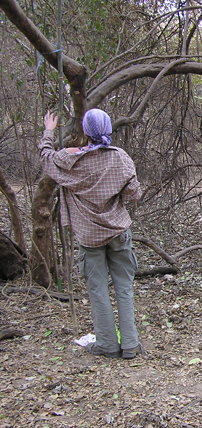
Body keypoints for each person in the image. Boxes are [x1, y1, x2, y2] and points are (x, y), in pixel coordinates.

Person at [39, 109, 143, 358]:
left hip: (89, 237)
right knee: (124, 287)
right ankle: (129, 344)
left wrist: (48, 132)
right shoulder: (120, 158)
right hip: (118, 232)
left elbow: (45, 158)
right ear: (107, 130)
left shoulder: (68, 159)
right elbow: (134, 194)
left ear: (85, 132)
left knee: (97, 289)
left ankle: (107, 344)